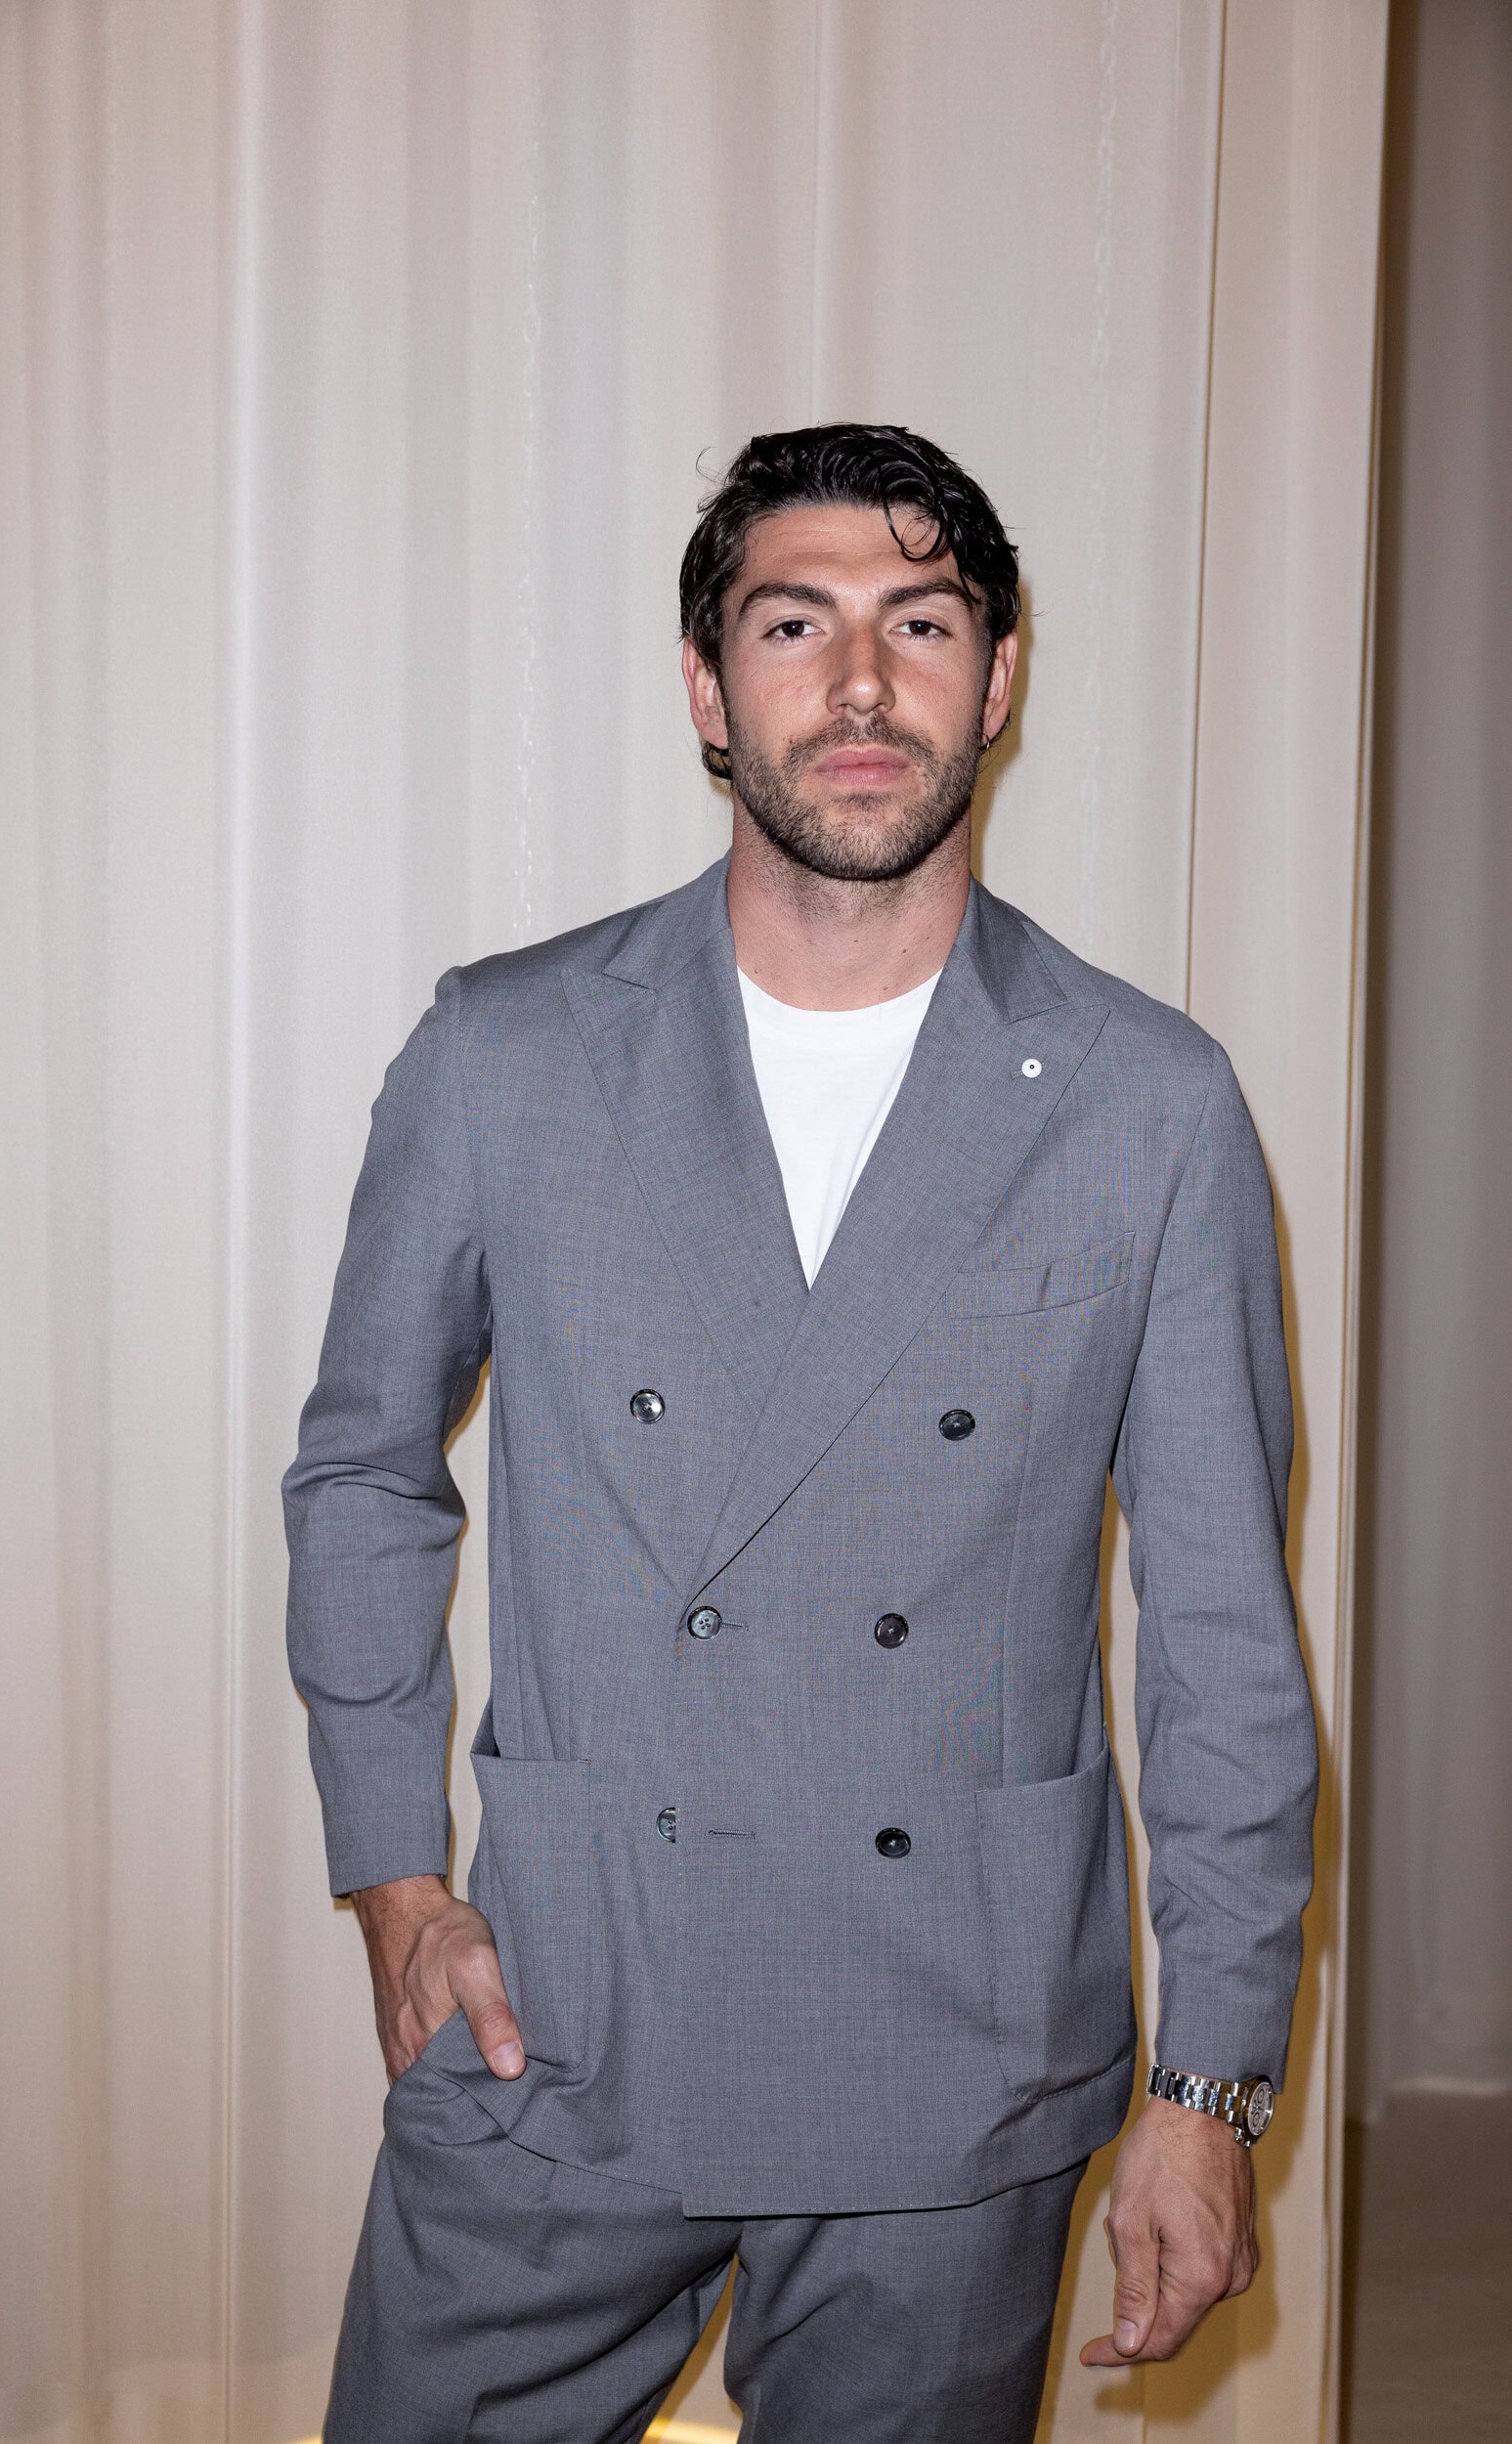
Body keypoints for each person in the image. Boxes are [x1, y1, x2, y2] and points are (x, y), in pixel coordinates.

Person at [283, 422, 1318, 2444]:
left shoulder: (1150, 1102)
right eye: (793, 625)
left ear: (997, 681)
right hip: (568, 2005)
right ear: (707, 687)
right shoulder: (507, 1051)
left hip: (958, 2045)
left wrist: (1210, 2088)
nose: (859, 685)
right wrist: (397, 1879)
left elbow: (1222, 1635)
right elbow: (364, 1474)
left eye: (920, 623)